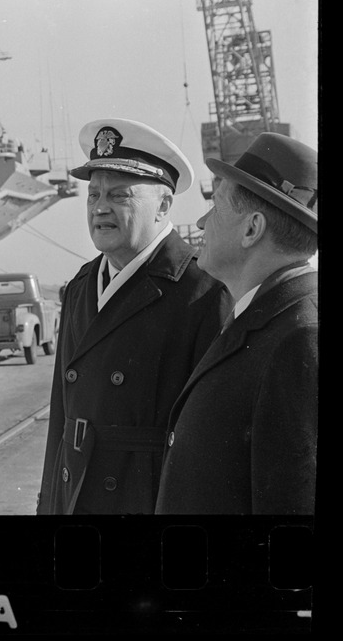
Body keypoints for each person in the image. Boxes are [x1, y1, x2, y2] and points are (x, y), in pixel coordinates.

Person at [36, 118, 232, 515]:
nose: (100, 208)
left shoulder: (205, 290)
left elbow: (216, 443)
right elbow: (61, 417)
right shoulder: (81, 285)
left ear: (163, 205)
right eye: (93, 195)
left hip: (151, 499)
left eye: (119, 195)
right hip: (75, 495)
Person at [156, 133, 318, 514]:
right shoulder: (267, 318)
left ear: (251, 229)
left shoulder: (300, 338)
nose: (200, 221)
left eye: (216, 207)